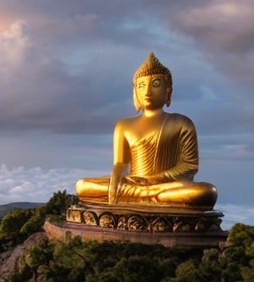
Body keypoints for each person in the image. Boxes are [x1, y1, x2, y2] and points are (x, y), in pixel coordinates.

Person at [74, 51, 217, 209]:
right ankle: (148, 196)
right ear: (135, 91)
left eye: (155, 84)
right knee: (82, 186)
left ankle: (143, 196)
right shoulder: (124, 125)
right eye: (142, 85)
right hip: (134, 184)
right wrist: (116, 185)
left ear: (168, 90)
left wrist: (155, 180)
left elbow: (189, 166)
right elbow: (120, 164)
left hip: (165, 186)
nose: (147, 91)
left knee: (206, 192)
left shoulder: (181, 123)